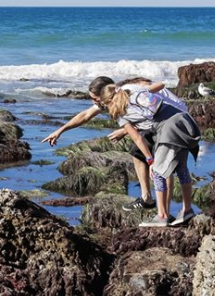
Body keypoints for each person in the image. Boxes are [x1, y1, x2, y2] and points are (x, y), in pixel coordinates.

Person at [41, 76, 189, 212]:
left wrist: (125, 131)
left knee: (163, 167)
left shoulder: (129, 92)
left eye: (95, 99)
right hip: (155, 122)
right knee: (137, 153)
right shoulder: (112, 98)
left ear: (105, 93)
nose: (94, 102)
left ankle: (165, 213)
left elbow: (150, 112)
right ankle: (147, 199)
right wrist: (60, 130)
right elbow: (85, 115)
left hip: (174, 120)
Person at [100, 81, 200, 227]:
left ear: (107, 102)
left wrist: (150, 160)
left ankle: (162, 216)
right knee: (181, 168)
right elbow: (159, 88)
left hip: (169, 128)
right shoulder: (132, 91)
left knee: (158, 173)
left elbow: (137, 138)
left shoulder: (120, 113)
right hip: (184, 120)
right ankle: (187, 210)